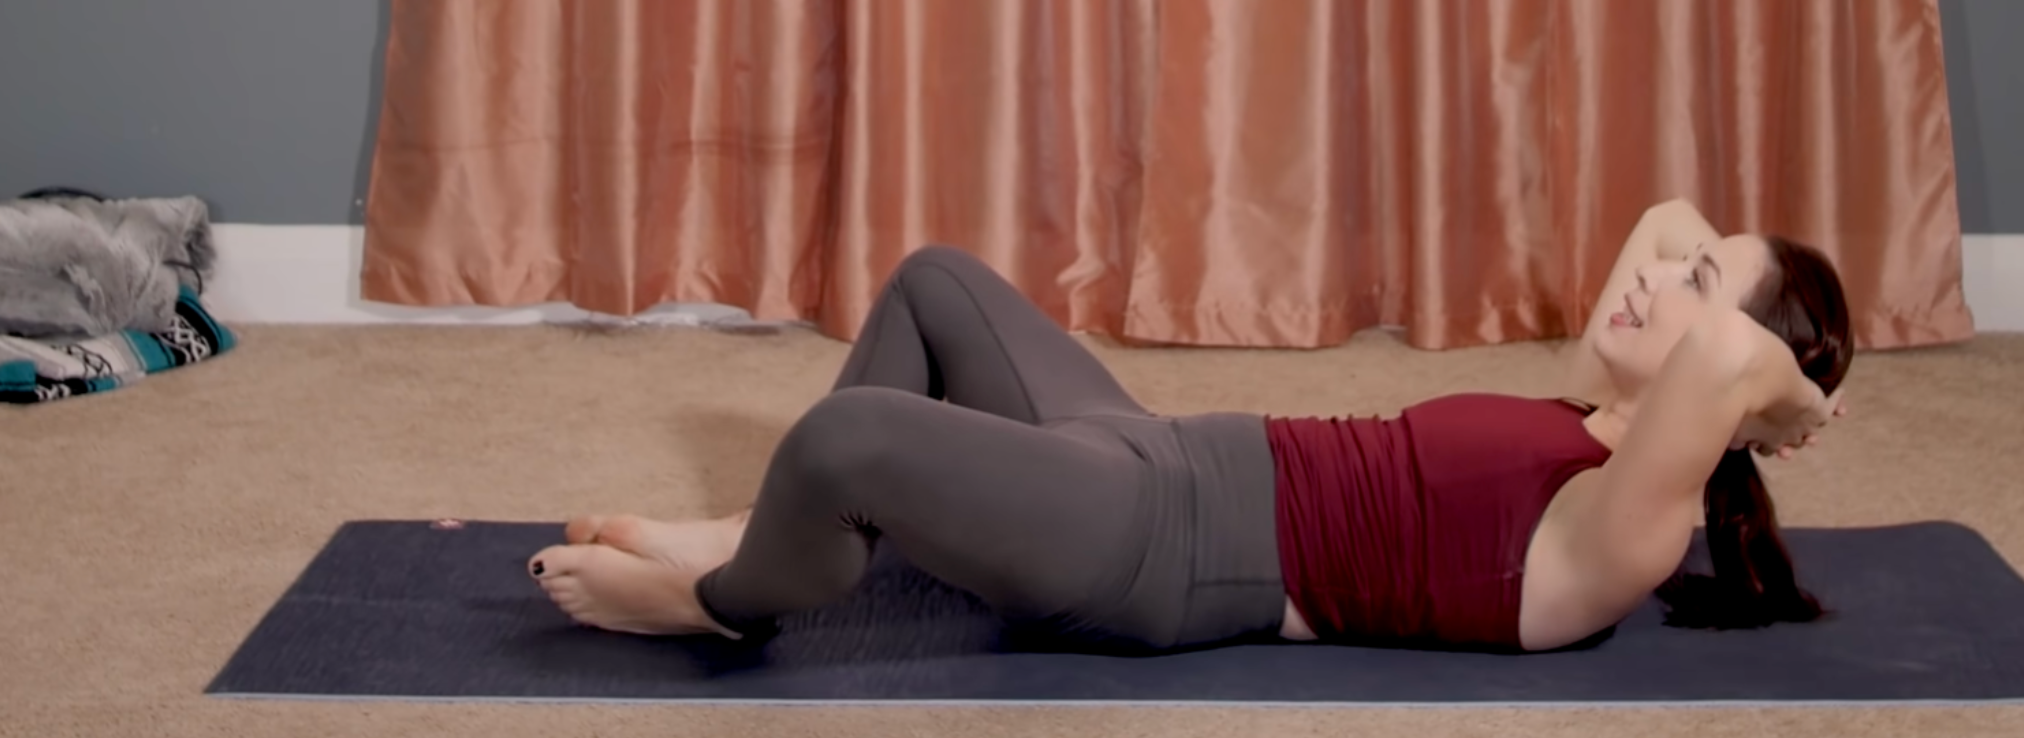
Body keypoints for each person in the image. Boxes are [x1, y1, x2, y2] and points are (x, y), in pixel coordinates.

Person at [528, 197, 1852, 654]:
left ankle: (725, 599)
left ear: (1737, 398)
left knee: (845, 441)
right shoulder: (1594, 404)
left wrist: (1785, 390)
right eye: (1682, 266)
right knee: (937, 280)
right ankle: (764, 532)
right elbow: (1678, 219)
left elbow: (1733, 352)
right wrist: (1729, 303)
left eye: (1693, 286)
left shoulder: (1625, 527)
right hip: (1153, 452)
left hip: (1163, 553)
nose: (1657, 271)